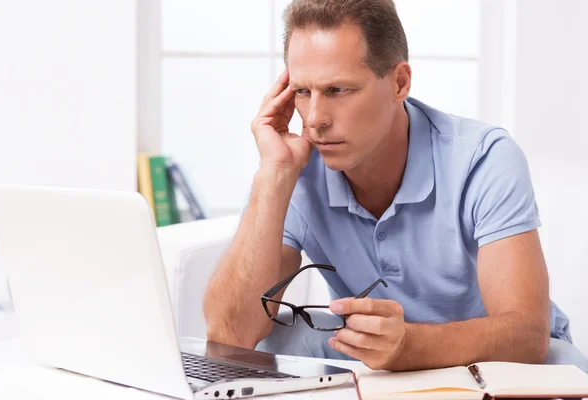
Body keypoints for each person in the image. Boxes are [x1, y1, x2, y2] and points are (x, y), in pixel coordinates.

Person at [203, 0, 588, 372]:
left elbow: (527, 335)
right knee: (273, 345)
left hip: (492, 364)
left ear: (399, 82)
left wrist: (409, 346)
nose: (315, 119)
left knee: (563, 362)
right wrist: (274, 175)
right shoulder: (296, 168)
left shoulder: (483, 159)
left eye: (338, 90)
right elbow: (230, 336)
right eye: (302, 91)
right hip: (375, 361)